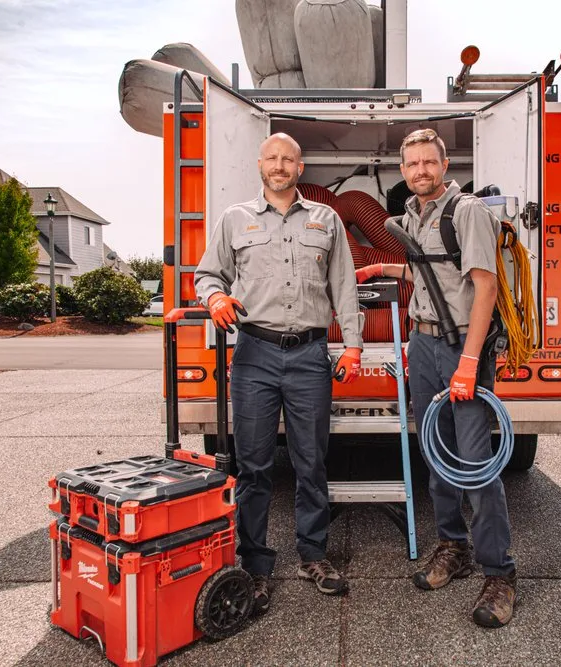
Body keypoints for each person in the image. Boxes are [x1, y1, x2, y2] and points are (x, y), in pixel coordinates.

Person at [194, 132, 364, 614]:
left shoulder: (325, 219)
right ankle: (255, 564)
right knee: (254, 466)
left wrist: (352, 345)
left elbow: (344, 285)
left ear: (300, 167)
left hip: (310, 355)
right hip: (255, 355)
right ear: (260, 164)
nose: (280, 165)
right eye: (272, 157)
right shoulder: (235, 219)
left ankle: (313, 554)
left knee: (312, 461)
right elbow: (207, 274)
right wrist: (215, 298)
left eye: (289, 158)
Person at [356, 128, 517, 628]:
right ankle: (453, 546)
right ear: (403, 170)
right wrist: (383, 268)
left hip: (461, 345)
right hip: (423, 344)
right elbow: (428, 273)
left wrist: (469, 362)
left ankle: (500, 573)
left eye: (429, 162)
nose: (420, 171)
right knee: (436, 453)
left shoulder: (466, 212)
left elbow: (485, 287)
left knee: (475, 462)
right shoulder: (412, 216)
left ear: (444, 166)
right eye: (412, 164)